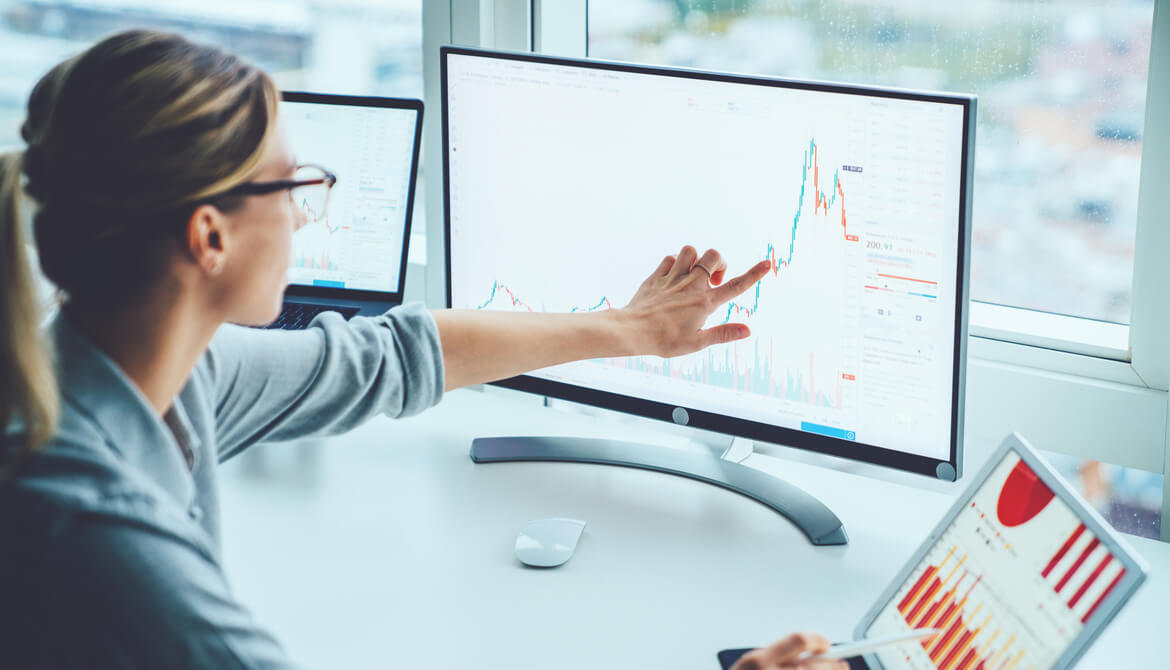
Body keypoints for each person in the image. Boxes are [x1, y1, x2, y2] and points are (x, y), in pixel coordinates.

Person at [0, 30, 845, 670]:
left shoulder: (142, 372)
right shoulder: (95, 533)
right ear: (208, 236)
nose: (304, 214)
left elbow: (393, 357)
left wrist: (633, 330)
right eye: (293, 186)